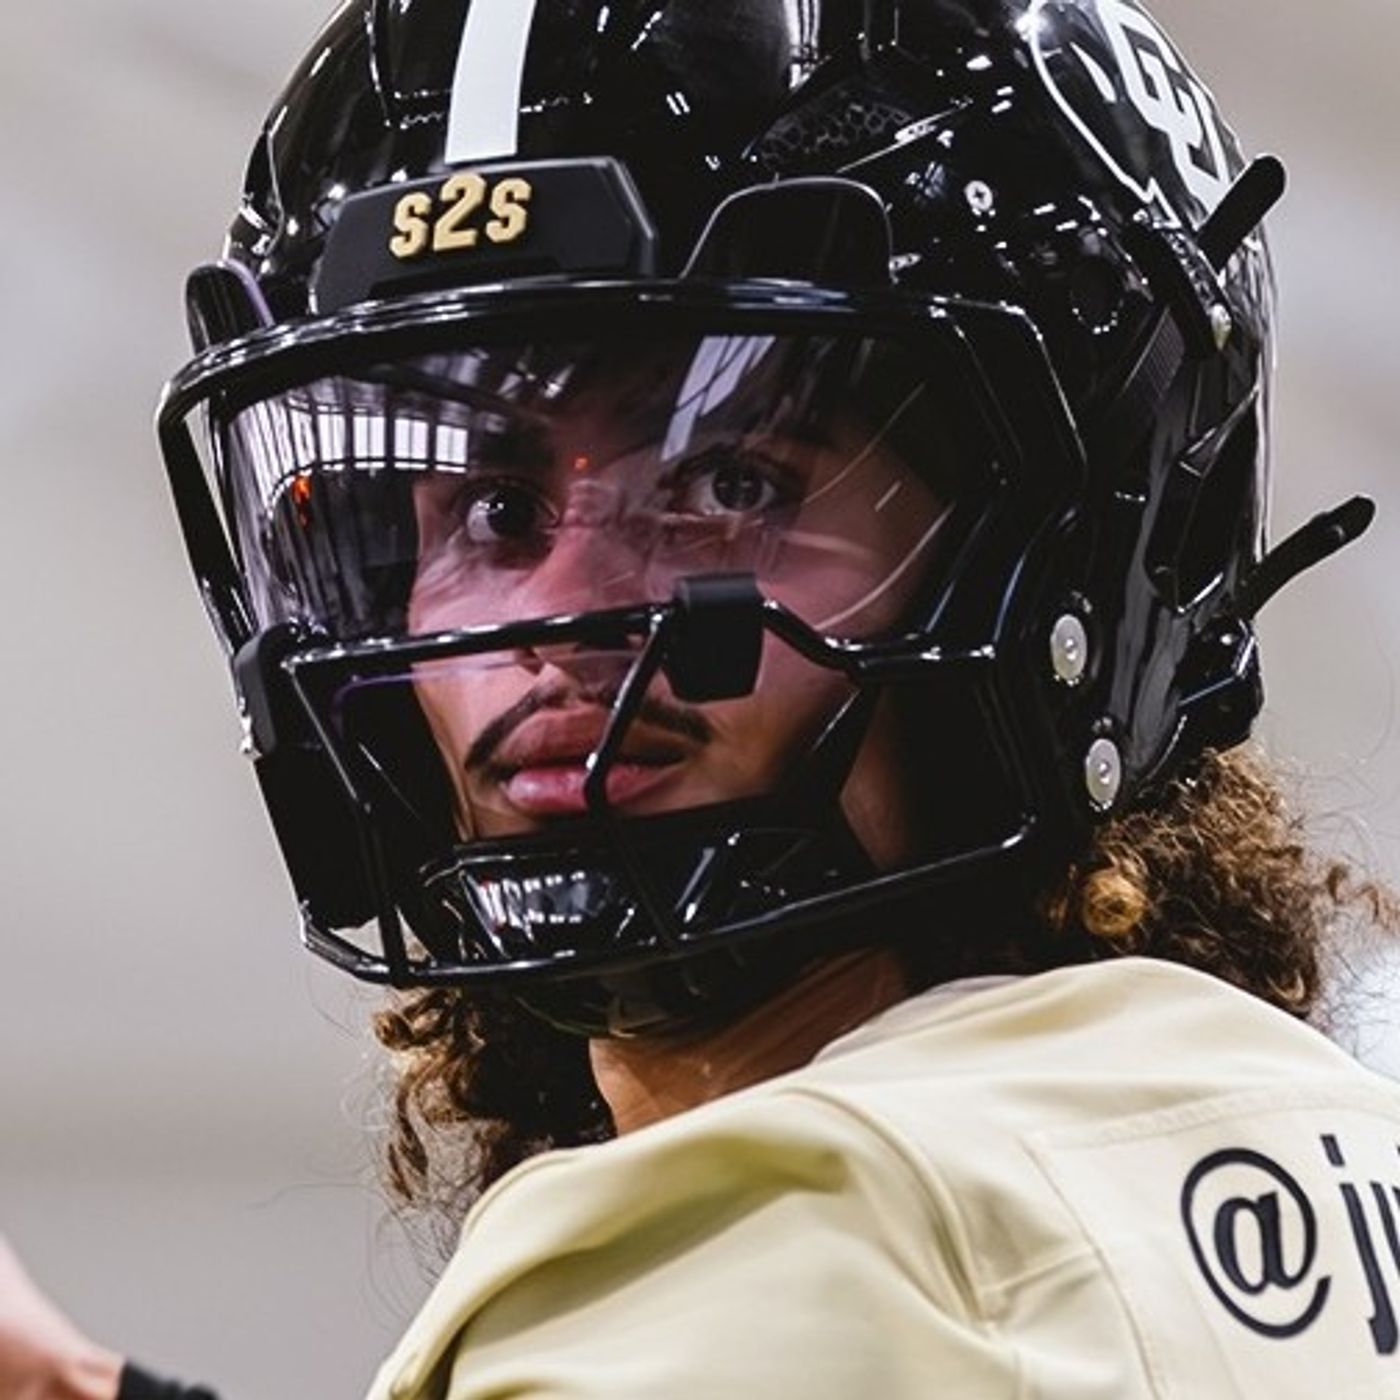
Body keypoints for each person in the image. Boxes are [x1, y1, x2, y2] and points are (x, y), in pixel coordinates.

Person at [8, 0, 1400, 1395]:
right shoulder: (1294, 1145)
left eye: (732, 485)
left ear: (1075, 543)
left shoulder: (814, 1226)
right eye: (494, 508)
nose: (562, 621)